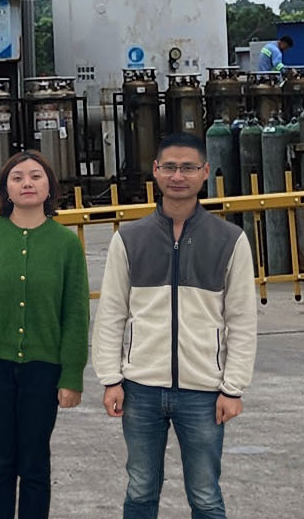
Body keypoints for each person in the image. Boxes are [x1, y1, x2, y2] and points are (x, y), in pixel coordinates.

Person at [93, 132, 257, 519]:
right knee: (140, 489)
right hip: (140, 389)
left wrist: (233, 388)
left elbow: (241, 321)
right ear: (155, 171)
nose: (178, 176)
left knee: (205, 495)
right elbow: (111, 314)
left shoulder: (230, 239)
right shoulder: (129, 238)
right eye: (169, 167)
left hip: (204, 392)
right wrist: (111, 379)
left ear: (205, 172)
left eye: (187, 168)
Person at [0, 150, 89, 519]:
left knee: (34, 463)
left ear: (50, 187)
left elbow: (75, 313)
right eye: (17, 178)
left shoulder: (65, 244)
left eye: (35, 176)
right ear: (5, 189)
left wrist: (72, 375)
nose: (27, 183)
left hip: (44, 368)